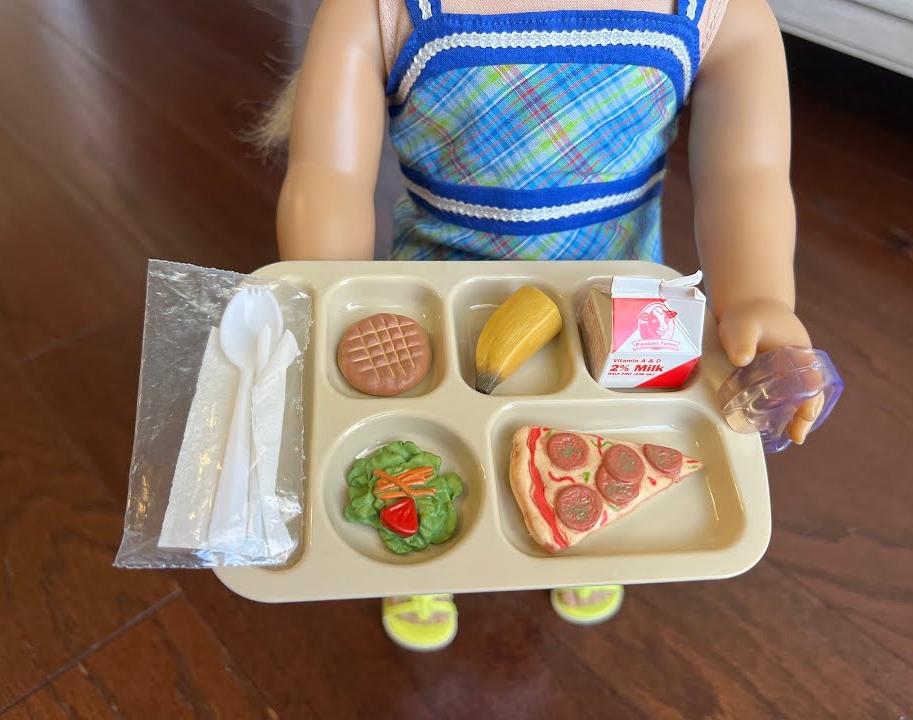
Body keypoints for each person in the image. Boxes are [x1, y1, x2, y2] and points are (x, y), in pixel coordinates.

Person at [258, 0, 822, 651]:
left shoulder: (717, 14)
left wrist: (758, 296)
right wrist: (325, 295)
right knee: (431, 428)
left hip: (620, 304)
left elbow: (745, 175)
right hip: (446, 294)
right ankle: (418, 531)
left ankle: (594, 516)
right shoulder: (381, 11)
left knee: (603, 438)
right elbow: (326, 176)